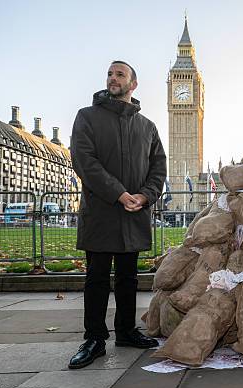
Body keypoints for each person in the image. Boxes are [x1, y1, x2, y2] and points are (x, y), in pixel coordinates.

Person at [68, 61, 167, 369]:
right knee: (96, 278)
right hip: (101, 210)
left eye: (119, 74)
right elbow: (84, 161)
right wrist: (118, 193)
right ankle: (94, 339)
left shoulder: (147, 126)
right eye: (110, 74)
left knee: (128, 277)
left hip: (134, 212)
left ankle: (125, 331)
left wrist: (145, 195)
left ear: (133, 84)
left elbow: (158, 168)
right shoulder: (87, 117)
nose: (113, 78)